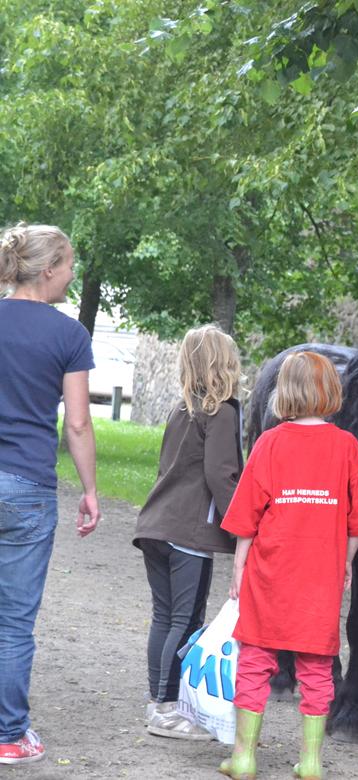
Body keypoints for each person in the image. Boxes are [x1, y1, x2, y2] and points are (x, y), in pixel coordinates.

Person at [218, 351, 358, 780]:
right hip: (320, 578)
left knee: (254, 660)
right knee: (317, 666)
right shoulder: (347, 446)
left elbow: (246, 517)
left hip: (269, 573)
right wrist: (344, 561)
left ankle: (244, 757)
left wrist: (240, 565)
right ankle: (311, 762)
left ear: (282, 393)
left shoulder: (269, 443)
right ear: (333, 392)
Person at [0, 223, 100, 766]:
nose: (71, 275)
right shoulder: (68, 335)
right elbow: (78, 425)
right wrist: (89, 490)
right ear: (47, 270)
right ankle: (10, 735)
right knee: (13, 620)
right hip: (27, 487)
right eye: (68, 266)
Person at [132, 325, 242, 740]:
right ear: (223, 363)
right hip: (188, 533)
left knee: (164, 617)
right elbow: (220, 474)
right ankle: (168, 708)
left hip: (156, 525)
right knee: (185, 618)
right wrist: (243, 523)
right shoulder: (223, 412)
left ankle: (157, 701)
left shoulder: (182, 410)